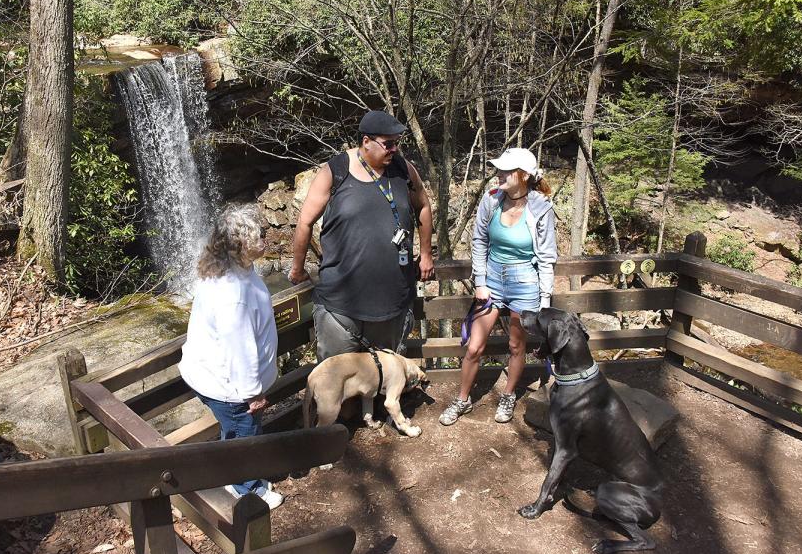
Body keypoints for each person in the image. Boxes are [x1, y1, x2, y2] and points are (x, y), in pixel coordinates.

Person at [288, 110, 435, 359]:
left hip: (393, 301)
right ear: (366, 141)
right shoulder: (335, 171)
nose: (394, 150)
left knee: (385, 380)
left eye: (397, 143)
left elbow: (424, 207)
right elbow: (304, 222)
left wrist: (426, 254)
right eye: (388, 144)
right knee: (338, 384)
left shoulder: (404, 170)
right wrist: (297, 268)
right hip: (341, 306)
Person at [439, 147, 557, 426]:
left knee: (517, 346)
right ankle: (463, 399)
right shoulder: (491, 200)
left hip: (525, 282)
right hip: (492, 279)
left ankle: (507, 395)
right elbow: (478, 241)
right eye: (499, 169)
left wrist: (544, 300)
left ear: (524, 175)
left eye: (506, 170)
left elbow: (547, 256)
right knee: (474, 347)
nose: (499, 174)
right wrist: (480, 281)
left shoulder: (540, 207)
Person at [178, 204, 283, 509]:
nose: (265, 239)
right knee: (243, 434)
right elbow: (239, 349)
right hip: (230, 387)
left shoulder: (232, 271)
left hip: (220, 377)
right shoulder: (232, 294)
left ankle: (234, 473)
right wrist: (252, 395)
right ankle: (247, 489)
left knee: (235, 432)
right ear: (239, 245)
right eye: (258, 236)